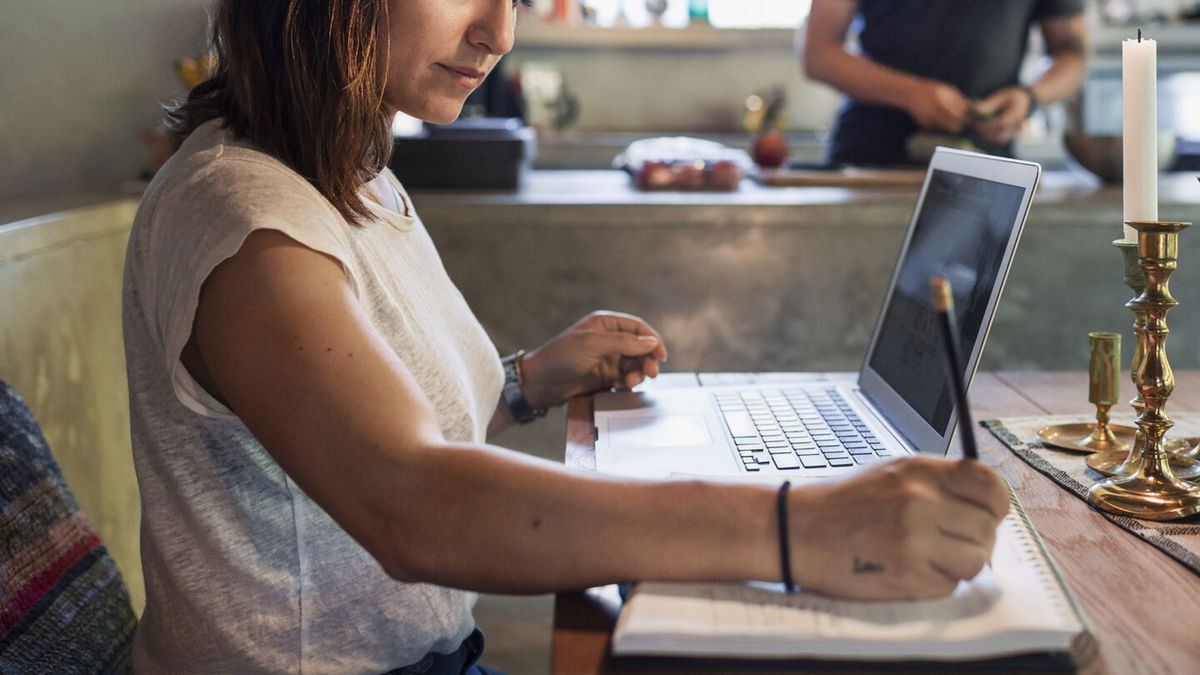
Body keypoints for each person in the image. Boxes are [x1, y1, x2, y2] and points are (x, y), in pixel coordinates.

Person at [122, 1, 1011, 672]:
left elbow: (359, 425)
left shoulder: (351, 176)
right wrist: (801, 527)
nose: (498, 33)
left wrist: (529, 379)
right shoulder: (246, 218)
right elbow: (410, 500)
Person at [802, 0, 1088, 166]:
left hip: (986, 164)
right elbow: (817, 53)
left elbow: (1073, 57)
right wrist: (911, 94)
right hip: (871, 161)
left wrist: (1029, 98)